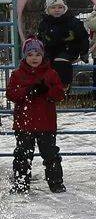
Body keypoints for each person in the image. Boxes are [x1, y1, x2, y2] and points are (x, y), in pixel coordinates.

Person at [8, 38, 66, 194]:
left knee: (51, 154)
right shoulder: (17, 74)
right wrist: (27, 91)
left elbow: (60, 93)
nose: (34, 58)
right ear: (25, 57)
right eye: (30, 54)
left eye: (38, 54)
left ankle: (56, 183)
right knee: (22, 155)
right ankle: (21, 183)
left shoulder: (50, 73)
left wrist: (47, 90)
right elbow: (11, 94)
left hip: (46, 123)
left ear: (43, 56)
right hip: (24, 123)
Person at [37, 0, 89, 88]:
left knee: (61, 60)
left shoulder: (72, 22)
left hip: (69, 48)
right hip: (50, 49)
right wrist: (39, 52)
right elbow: (40, 39)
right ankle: (46, 86)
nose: (57, 10)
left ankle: (64, 85)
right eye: (53, 7)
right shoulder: (45, 23)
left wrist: (84, 52)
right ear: (48, 10)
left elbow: (83, 36)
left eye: (60, 7)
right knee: (44, 62)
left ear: (64, 8)